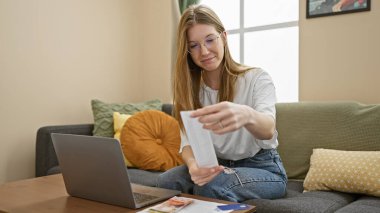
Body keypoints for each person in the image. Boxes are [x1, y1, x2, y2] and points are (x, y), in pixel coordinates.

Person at [157, 4, 287, 202]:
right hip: (217, 165)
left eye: (210, 40)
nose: (204, 51)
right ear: (187, 51)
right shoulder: (191, 91)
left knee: (211, 188)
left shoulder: (256, 78)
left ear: (224, 37)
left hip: (263, 168)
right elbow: (187, 142)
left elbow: (268, 129)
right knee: (165, 183)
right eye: (194, 45)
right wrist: (194, 166)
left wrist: (246, 115)